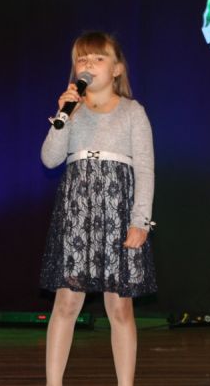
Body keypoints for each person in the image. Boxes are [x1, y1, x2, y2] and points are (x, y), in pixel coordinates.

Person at [40, 31, 156, 386]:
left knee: (119, 307)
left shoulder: (133, 112)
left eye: (97, 58)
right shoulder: (71, 111)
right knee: (66, 303)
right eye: (82, 59)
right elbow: (50, 159)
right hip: (78, 214)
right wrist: (63, 115)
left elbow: (145, 169)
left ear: (117, 69)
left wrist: (140, 221)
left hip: (117, 213)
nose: (88, 64)